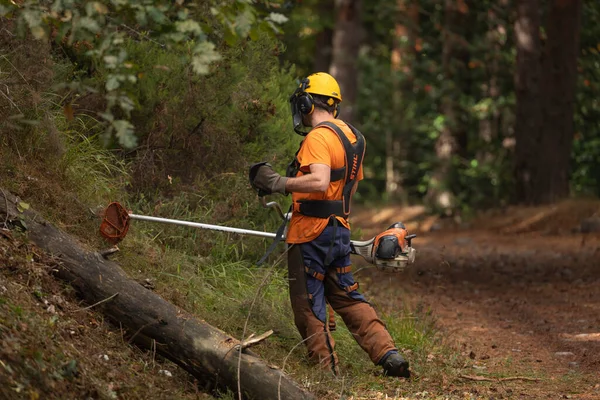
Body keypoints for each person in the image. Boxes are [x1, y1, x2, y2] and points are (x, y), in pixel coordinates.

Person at [249, 72, 410, 378]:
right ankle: (388, 353)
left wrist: (279, 183)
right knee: (347, 297)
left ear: (308, 103)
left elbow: (321, 180)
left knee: (307, 303)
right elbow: (350, 187)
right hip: (338, 228)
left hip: (310, 232)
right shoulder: (353, 137)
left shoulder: (318, 137)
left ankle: (326, 371)